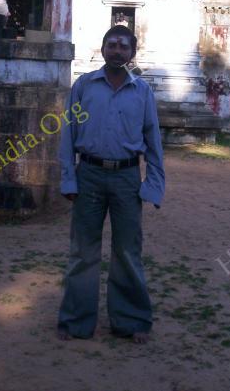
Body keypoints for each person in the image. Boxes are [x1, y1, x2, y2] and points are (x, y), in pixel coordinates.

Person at [56, 24, 165, 344]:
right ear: (102, 48)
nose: (117, 50)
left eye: (123, 46)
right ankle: (75, 321)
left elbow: (153, 140)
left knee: (127, 252)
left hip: (127, 179)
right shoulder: (84, 86)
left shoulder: (142, 91)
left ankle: (130, 321)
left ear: (132, 53)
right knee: (83, 252)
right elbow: (68, 135)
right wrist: (69, 178)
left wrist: (153, 183)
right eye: (111, 44)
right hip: (88, 175)